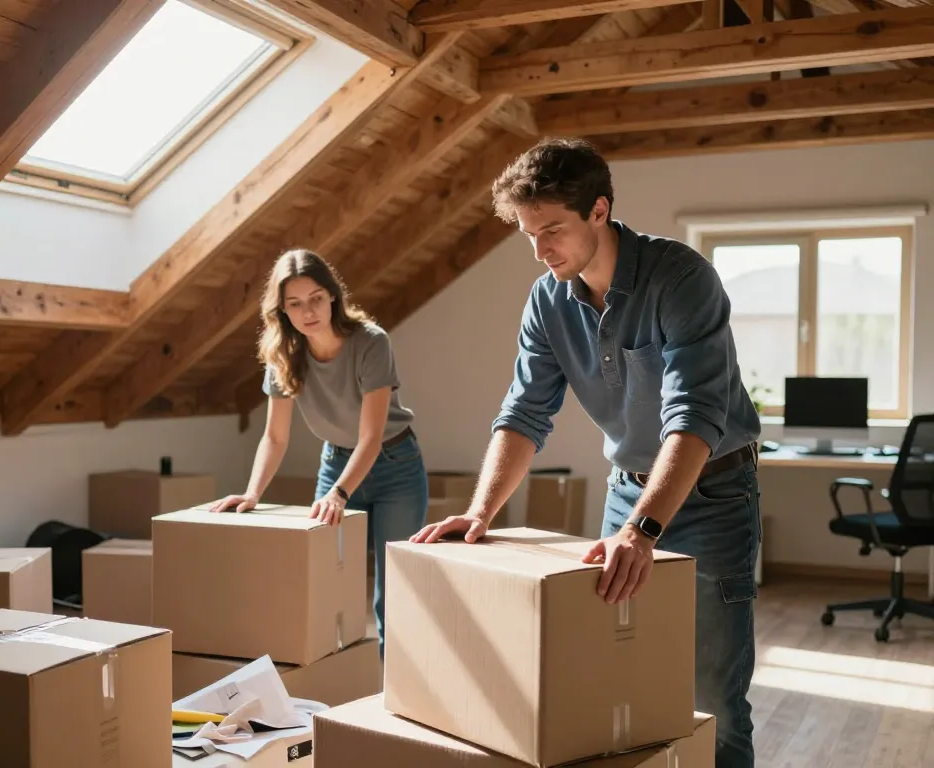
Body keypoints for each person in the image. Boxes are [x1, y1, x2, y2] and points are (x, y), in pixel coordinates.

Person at [410, 138, 762, 768]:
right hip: (628, 494)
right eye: (527, 234)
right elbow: (523, 413)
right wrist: (481, 512)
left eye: (552, 231)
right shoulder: (548, 299)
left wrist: (644, 529)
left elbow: (695, 417)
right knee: (616, 680)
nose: (542, 251)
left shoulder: (680, 279)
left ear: (599, 212)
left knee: (713, 701)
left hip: (712, 495)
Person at [210, 248, 428, 658]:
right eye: (294, 303)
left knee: (392, 592)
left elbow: (372, 434)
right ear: (282, 311)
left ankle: (394, 697)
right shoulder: (282, 355)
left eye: (315, 298)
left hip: (394, 466)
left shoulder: (370, 342)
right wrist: (253, 492)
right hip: (337, 464)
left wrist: (339, 495)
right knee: (324, 587)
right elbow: (275, 436)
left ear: (332, 296)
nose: (307, 311)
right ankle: (334, 688)